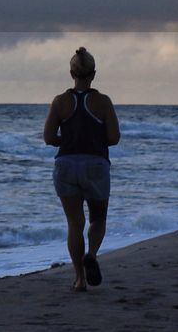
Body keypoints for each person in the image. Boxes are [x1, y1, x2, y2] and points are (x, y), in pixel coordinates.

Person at [43, 46, 121, 292]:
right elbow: (114, 137)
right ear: (94, 74)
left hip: (65, 165)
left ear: (71, 73)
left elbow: (48, 137)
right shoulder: (103, 102)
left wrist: (66, 140)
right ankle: (93, 254)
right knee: (98, 218)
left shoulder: (60, 102)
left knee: (74, 223)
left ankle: (79, 278)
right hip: (95, 165)